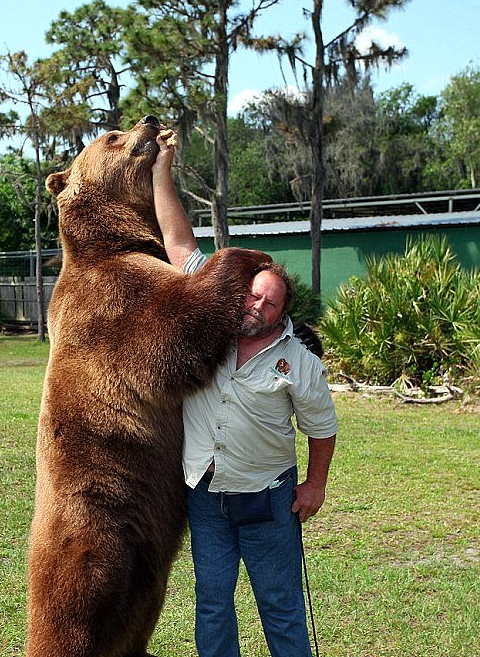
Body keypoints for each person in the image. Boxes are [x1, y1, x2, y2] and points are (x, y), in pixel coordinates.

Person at [151, 132, 338, 657]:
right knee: (212, 605)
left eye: (271, 303)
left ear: (282, 313)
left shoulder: (299, 362)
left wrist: (314, 486)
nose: (257, 306)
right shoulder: (211, 317)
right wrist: (164, 166)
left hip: (269, 498)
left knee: (279, 607)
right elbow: (180, 244)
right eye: (254, 295)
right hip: (206, 493)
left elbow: (322, 429)